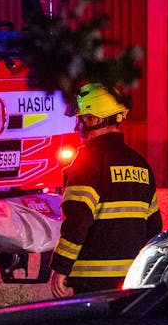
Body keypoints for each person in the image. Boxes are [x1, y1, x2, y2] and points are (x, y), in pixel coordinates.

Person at [49, 83, 161, 298]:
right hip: (133, 279)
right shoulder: (140, 164)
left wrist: (61, 267)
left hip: (91, 281)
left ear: (96, 120)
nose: (76, 128)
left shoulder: (87, 163)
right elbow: (154, 226)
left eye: (81, 119)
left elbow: (78, 221)